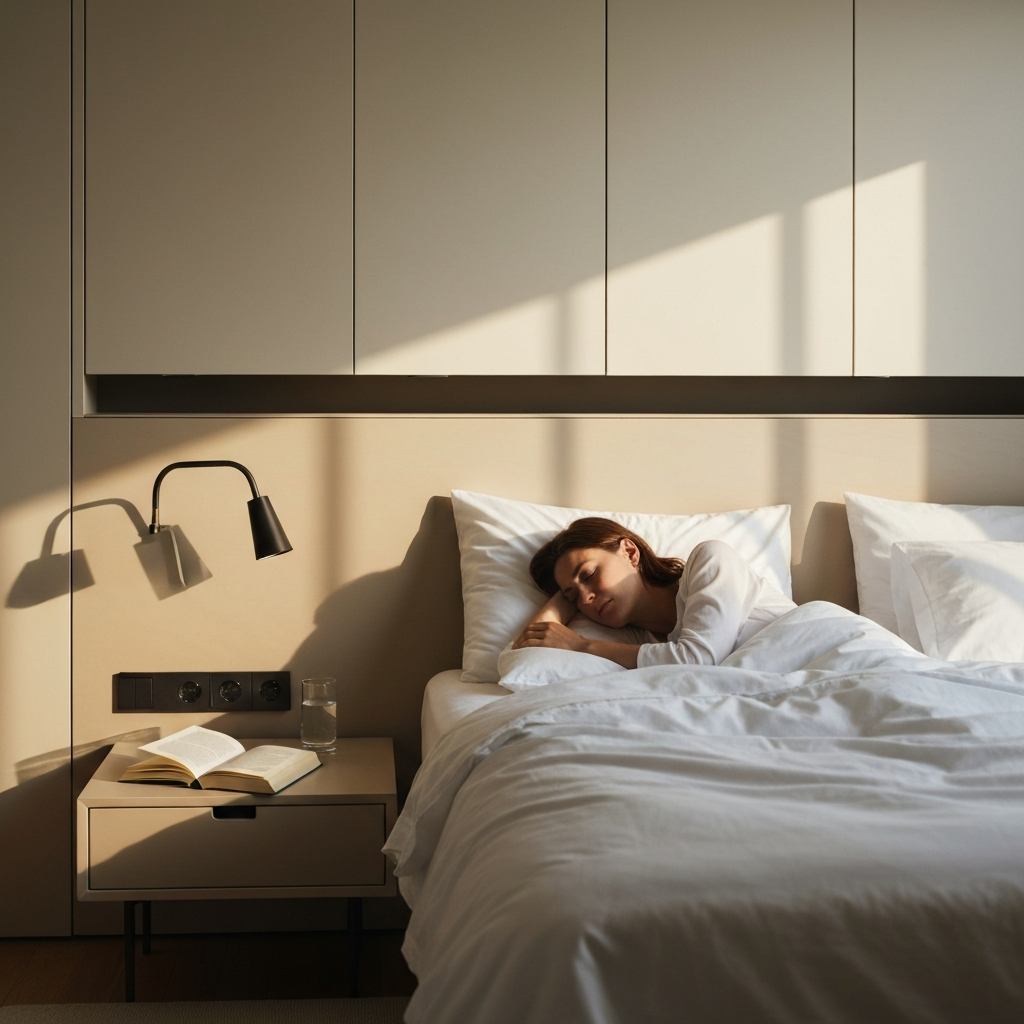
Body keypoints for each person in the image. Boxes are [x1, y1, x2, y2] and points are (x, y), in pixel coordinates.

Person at [513, 517, 795, 669]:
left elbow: (698, 661)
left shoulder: (711, 559)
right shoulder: (631, 643)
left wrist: (580, 645)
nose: (585, 598)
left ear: (630, 552)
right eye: (573, 597)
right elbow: (521, 665)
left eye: (589, 575)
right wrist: (563, 600)